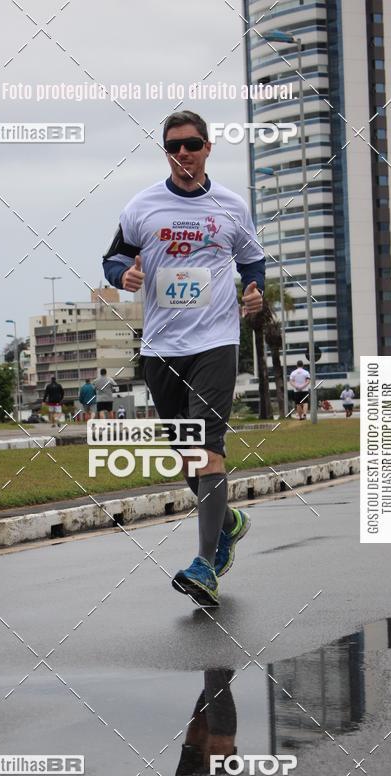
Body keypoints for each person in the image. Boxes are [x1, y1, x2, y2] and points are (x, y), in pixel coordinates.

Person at [102, 109, 265, 607]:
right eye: (174, 146)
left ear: (208, 147)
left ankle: (205, 564)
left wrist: (254, 290)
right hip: (161, 348)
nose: (183, 153)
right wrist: (121, 277)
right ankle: (230, 522)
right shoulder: (142, 206)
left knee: (208, 449)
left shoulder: (232, 206)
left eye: (192, 143)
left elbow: (251, 260)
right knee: (189, 457)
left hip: (216, 341)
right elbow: (113, 257)